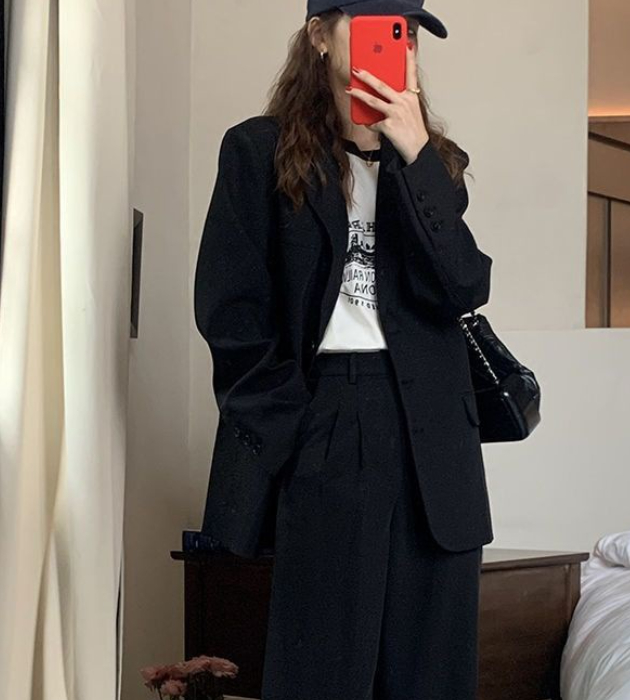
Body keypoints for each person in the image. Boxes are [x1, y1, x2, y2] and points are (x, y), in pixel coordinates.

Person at [193, 1, 494, 698]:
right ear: (319, 36)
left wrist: (415, 155)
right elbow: (232, 314)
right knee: (323, 673)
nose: (398, 44)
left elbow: (463, 286)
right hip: (327, 417)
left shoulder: (435, 163)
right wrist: (296, 435)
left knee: (432, 677)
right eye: (375, 25)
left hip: (436, 442)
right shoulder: (258, 152)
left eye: (407, 33)